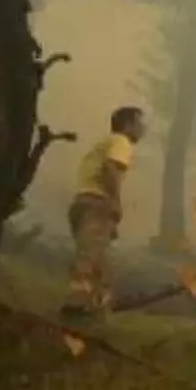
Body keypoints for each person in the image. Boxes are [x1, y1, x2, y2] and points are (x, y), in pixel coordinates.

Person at [60, 106, 147, 322]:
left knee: (99, 259)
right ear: (128, 125)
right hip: (97, 202)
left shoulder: (105, 143)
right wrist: (115, 202)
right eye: (140, 123)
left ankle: (98, 308)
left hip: (83, 201)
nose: (143, 128)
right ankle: (75, 306)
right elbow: (111, 169)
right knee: (89, 256)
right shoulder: (120, 142)